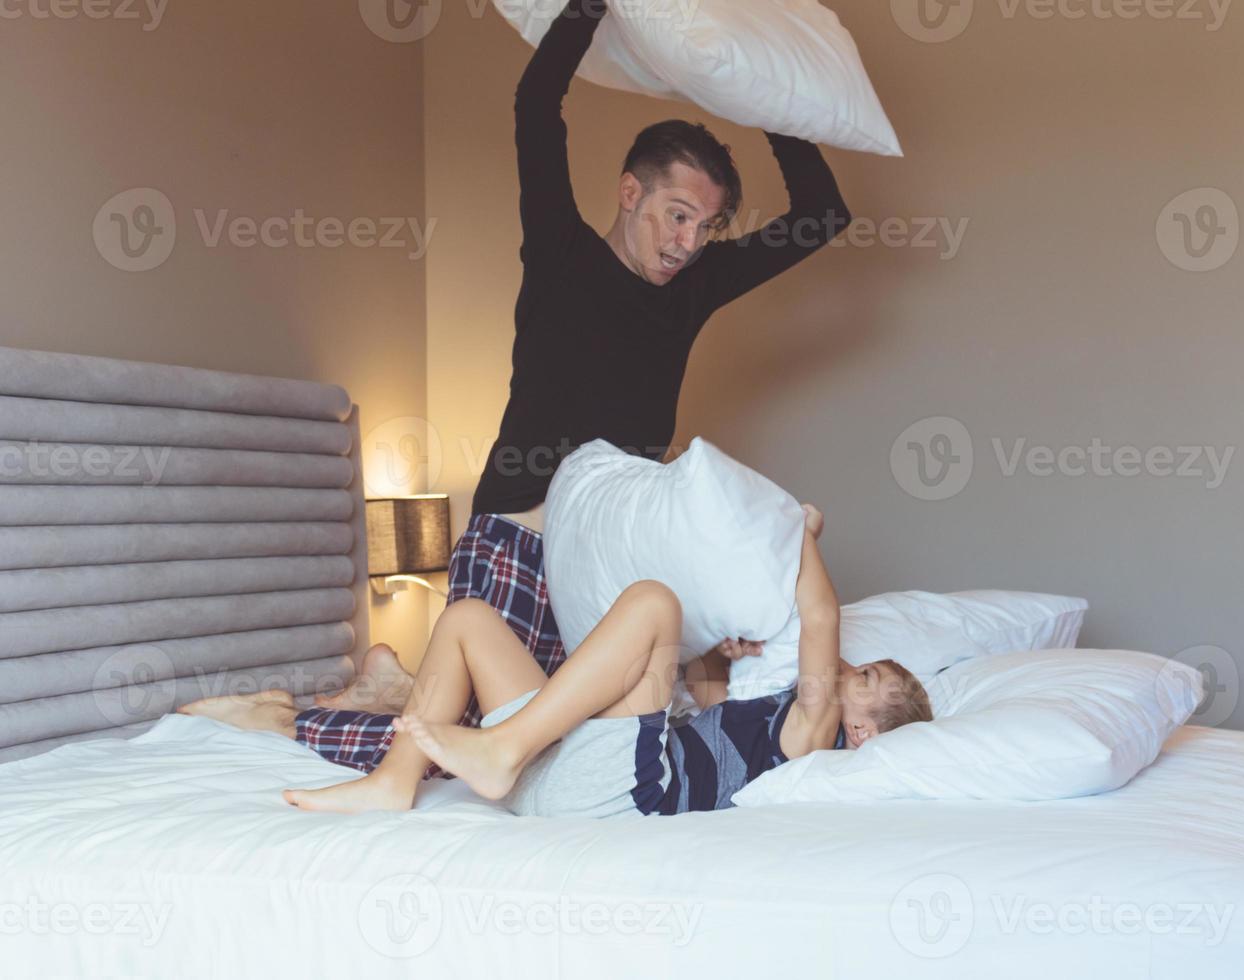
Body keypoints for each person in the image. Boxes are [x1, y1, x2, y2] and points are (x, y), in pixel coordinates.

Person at [292, 0, 853, 766]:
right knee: (480, 749)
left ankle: (397, 684)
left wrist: (757, 92)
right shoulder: (562, 253)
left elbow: (823, 215)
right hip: (519, 539)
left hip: (613, 558)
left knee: (577, 751)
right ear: (631, 193)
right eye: (676, 215)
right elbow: (535, 102)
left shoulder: (695, 288)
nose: (687, 244)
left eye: (704, 227)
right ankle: (285, 716)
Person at [183, 507, 933, 816]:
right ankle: (393, 781)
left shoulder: (815, 739)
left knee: (652, 602)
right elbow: (699, 701)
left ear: (860, 731)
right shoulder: (772, 726)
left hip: (623, 792)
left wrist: (800, 532)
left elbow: (822, 616)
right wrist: (717, 657)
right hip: (581, 765)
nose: (845, 673)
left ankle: (503, 750)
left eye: (863, 682)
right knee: (470, 619)